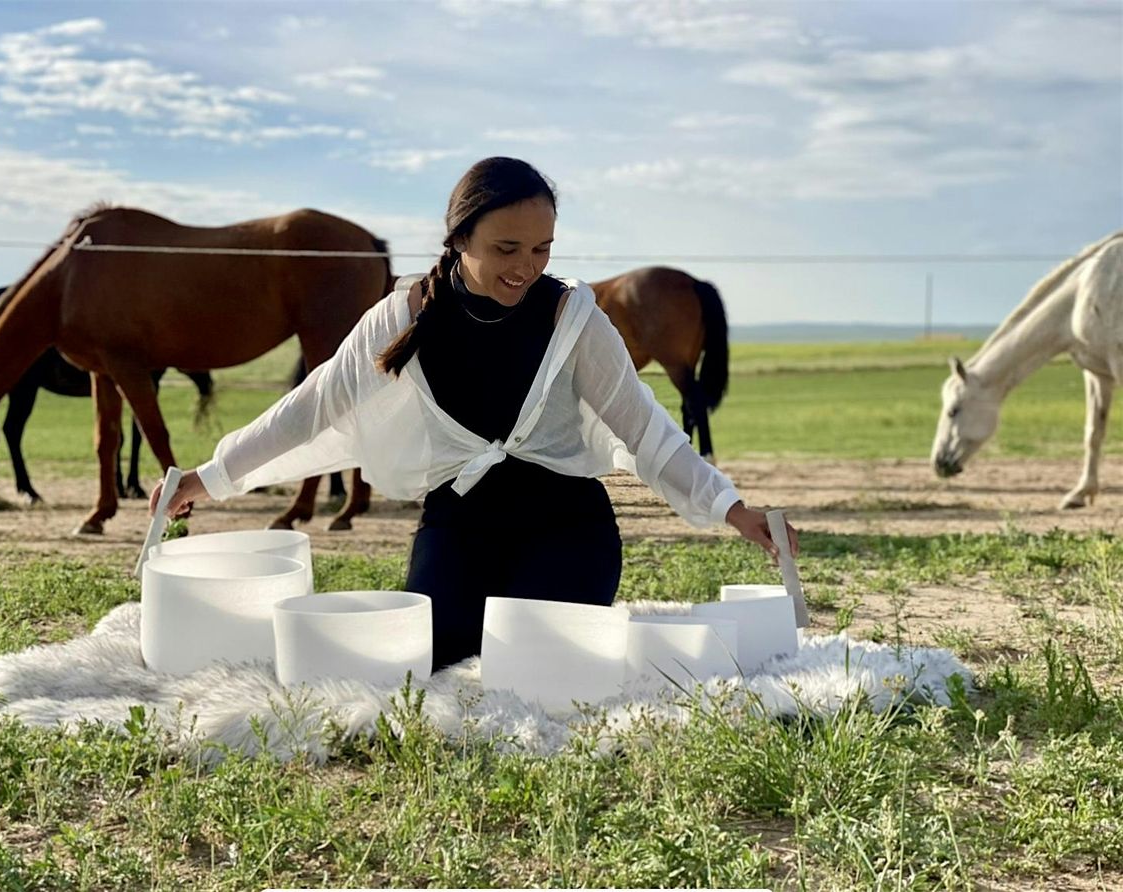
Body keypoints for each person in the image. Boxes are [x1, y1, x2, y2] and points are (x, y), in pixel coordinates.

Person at [151, 156, 798, 671]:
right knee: (428, 653)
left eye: (542, 249)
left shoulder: (572, 315)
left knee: (540, 655)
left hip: (565, 525)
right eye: (507, 248)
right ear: (460, 238)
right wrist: (208, 478)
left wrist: (731, 509)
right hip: (459, 522)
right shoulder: (402, 317)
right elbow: (312, 408)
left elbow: (644, 429)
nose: (527, 268)